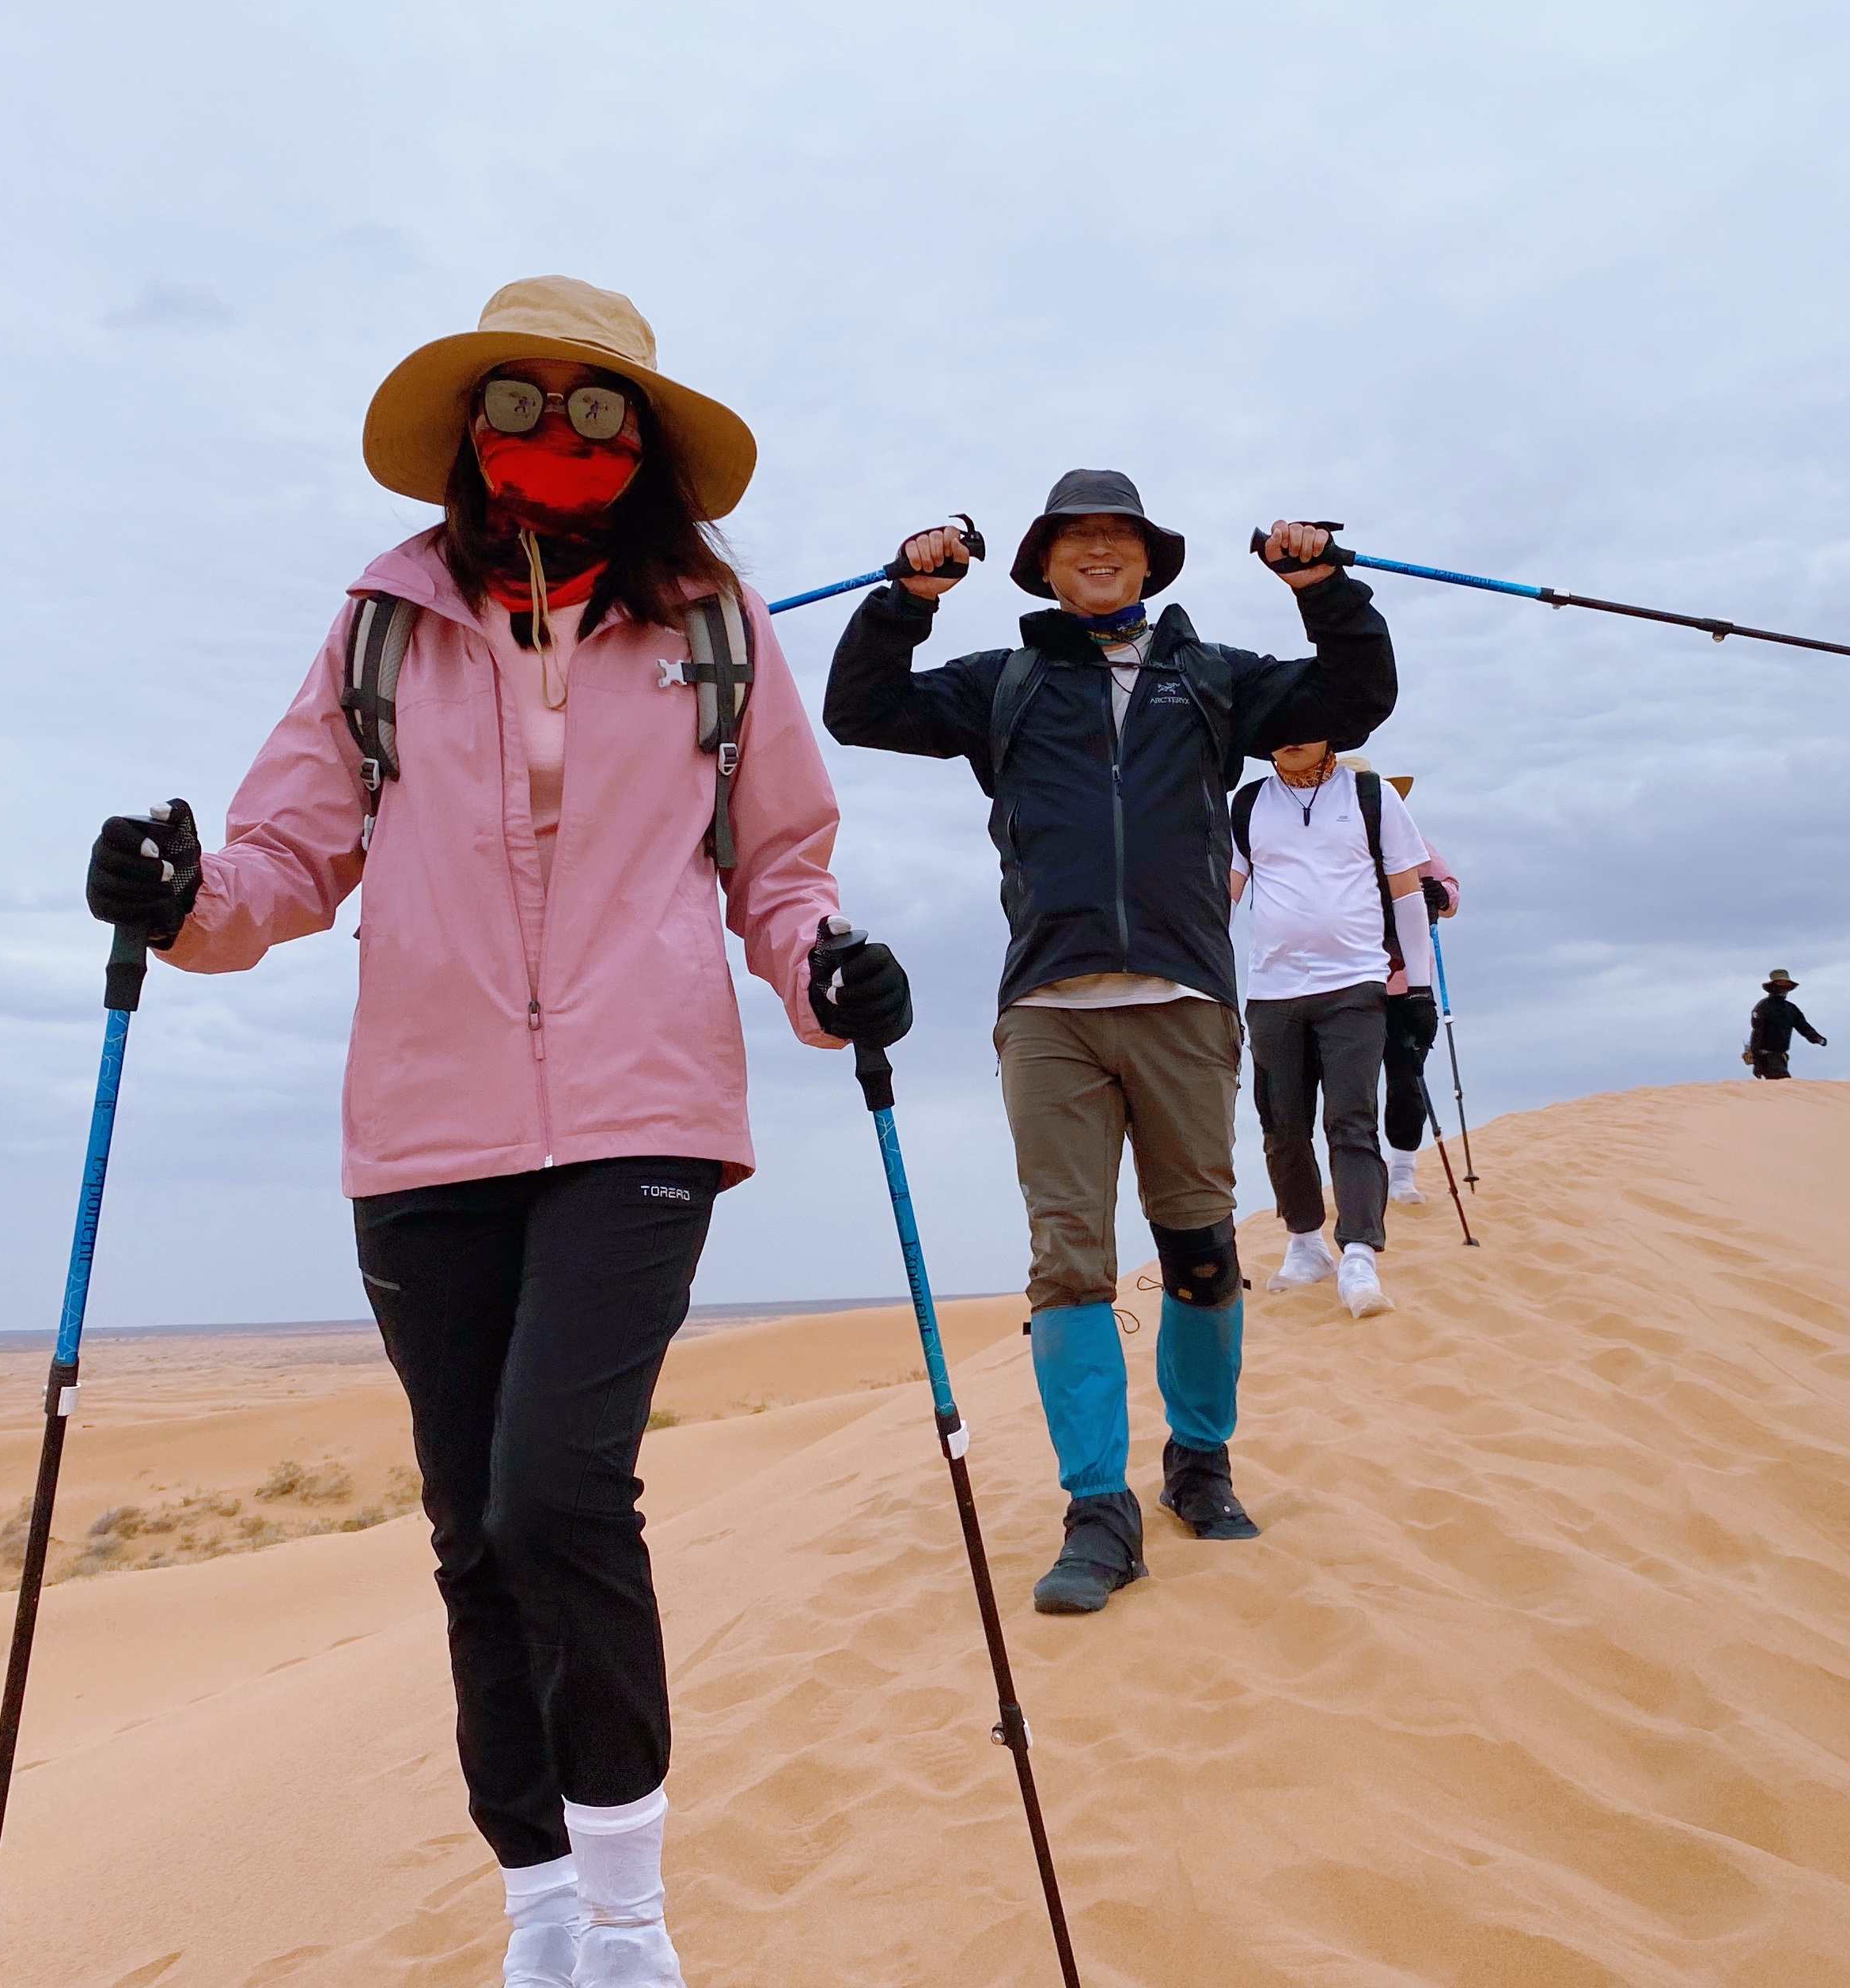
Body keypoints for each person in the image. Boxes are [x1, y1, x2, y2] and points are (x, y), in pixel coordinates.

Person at [83, 276, 911, 1988]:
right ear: (471, 432)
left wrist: (825, 975)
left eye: (595, 406)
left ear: (646, 440)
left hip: (643, 1105)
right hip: (425, 1131)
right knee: (470, 1529)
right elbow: (286, 861)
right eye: (521, 402)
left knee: (554, 1493)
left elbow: (781, 868)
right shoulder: (380, 628)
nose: (557, 431)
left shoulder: (714, 625)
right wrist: (182, 906)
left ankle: (629, 1914)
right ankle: (537, 1907)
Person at [823, 471, 1395, 1615]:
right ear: (1041, 564)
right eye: (1075, 537)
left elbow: (1357, 693)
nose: (1098, 550)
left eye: (1118, 536)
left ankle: (1200, 1464)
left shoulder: (1214, 678)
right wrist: (907, 594)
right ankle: (1098, 1508)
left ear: (1148, 561)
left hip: (1184, 1001)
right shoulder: (1008, 684)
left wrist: (1321, 585)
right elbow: (862, 709)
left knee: (1197, 1250)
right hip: (1048, 1011)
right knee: (1069, 1265)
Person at [1230, 746, 1428, 1318]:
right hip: (1271, 992)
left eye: (1305, 725)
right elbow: (1224, 892)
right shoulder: (1247, 804)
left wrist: (1419, 988)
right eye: (1279, 728)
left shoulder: (1372, 796)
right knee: (1282, 1124)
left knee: (1351, 1118)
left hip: (1356, 985)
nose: (1292, 738)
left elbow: (1408, 892)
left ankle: (1360, 1255)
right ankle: (1305, 1242)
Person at [1367, 770, 1463, 1216]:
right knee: (1356, 1086)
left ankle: (1402, 1171)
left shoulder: (1415, 842)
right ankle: (1366, 1178)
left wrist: (1435, 893)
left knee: (1407, 1077)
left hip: (1410, 988)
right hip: (1357, 983)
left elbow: (1451, 893)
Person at [1746, 969, 1827, 1080]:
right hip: (1766, 1057)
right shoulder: (1763, 1007)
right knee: (1784, 1083)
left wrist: (1818, 1039)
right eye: (1780, 985)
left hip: (1781, 1057)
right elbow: (1757, 1033)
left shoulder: (1791, 1009)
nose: (1783, 990)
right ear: (1773, 987)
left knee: (1779, 1088)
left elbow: (1804, 1027)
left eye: (1786, 986)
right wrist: (1757, 1061)